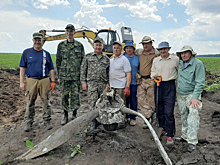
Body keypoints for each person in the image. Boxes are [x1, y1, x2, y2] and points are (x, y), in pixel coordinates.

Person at [19, 32, 56, 132]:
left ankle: (47, 120)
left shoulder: (46, 54)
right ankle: (29, 122)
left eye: (39, 40)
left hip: (44, 80)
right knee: (30, 101)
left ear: (42, 41)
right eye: (36, 40)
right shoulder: (27, 52)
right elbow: (22, 68)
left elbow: (51, 68)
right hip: (31, 80)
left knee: (46, 101)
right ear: (33, 41)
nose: (37, 42)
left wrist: (53, 81)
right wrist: (22, 82)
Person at [175, 45, 205, 152]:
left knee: (193, 117)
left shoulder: (198, 64)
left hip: (192, 95)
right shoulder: (180, 64)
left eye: (186, 53)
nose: (183, 55)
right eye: (182, 53)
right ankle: (184, 136)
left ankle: (192, 141)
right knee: (183, 116)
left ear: (191, 53)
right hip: (181, 95)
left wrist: (195, 97)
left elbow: (200, 82)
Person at [151, 41, 179, 144]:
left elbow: (179, 71)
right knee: (159, 108)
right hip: (158, 85)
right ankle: (163, 127)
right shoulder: (156, 60)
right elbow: (152, 72)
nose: (163, 51)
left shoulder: (175, 59)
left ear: (168, 49)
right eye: (161, 49)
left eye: (164, 49)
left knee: (169, 111)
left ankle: (170, 134)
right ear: (158, 51)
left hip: (170, 85)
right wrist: (154, 76)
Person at [56, 24, 85, 125]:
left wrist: (82, 77)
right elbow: (58, 61)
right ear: (65, 32)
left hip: (76, 77)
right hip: (64, 77)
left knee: (75, 96)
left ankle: (74, 114)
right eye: (68, 31)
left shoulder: (80, 46)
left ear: (74, 33)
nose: (69, 33)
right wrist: (59, 76)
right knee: (64, 96)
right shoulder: (61, 46)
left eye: (71, 31)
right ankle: (65, 115)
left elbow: (83, 62)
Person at [80, 37, 110, 130]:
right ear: (94, 46)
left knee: (102, 103)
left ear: (103, 46)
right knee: (92, 103)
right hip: (91, 84)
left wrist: (108, 83)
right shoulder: (88, 57)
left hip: (102, 84)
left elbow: (109, 72)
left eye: (100, 45)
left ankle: (102, 120)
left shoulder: (106, 59)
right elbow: (83, 70)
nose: (98, 47)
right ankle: (94, 122)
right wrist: (83, 82)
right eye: (96, 45)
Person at [135, 36, 160, 129]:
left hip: (151, 80)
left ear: (151, 43)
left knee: (151, 100)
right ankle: (149, 115)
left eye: (147, 43)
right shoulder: (139, 52)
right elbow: (128, 52)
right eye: (143, 44)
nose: (145, 45)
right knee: (140, 99)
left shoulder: (156, 53)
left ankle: (149, 120)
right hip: (141, 80)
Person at [124, 41, 140, 126]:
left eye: (130, 48)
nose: (129, 49)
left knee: (134, 101)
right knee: (126, 100)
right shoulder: (123, 57)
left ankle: (133, 118)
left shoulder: (137, 58)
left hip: (134, 83)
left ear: (133, 49)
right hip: (124, 83)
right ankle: (126, 116)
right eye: (127, 48)